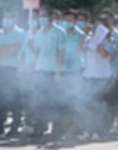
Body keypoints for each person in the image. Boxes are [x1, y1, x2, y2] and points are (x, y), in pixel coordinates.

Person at [28, 8, 65, 140]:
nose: (41, 18)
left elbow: (61, 53)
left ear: (51, 17)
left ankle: (56, 130)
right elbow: (38, 53)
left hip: (52, 71)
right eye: (40, 16)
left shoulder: (59, 32)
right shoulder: (38, 33)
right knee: (40, 102)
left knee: (54, 102)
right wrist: (31, 47)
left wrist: (58, 72)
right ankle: (39, 127)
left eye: (44, 16)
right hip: (40, 70)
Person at [0, 10, 27, 137]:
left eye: (9, 18)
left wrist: (3, 49)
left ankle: (15, 126)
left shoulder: (20, 33)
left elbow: (14, 50)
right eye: (5, 18)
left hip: (14, 68)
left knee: (15, 99)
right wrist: (6, 48)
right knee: (1, 98)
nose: (6, 20)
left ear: (14, 19)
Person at [80, 14, 116, 138]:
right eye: (95, 24)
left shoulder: (107, 40)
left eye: (99, 25)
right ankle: (88, 130)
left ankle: (99, 131)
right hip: (89, 76)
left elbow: (105, 55)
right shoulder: (90, 39)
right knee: (89, 105)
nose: (96, 27)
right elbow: (80, 48)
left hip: (102, 77)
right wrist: (84, 34)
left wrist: (98, 43)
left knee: (99, 106)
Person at [55, 9, 83, 140]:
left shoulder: (80, 35)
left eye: (71, 20)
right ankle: (59, 130)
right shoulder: (57, 33)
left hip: (74, 72)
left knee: (73, 102)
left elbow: (80, 52)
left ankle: (74, 130)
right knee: (60, 102)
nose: (67, 22)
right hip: (60, 71)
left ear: (75, 21)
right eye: (66, 20)